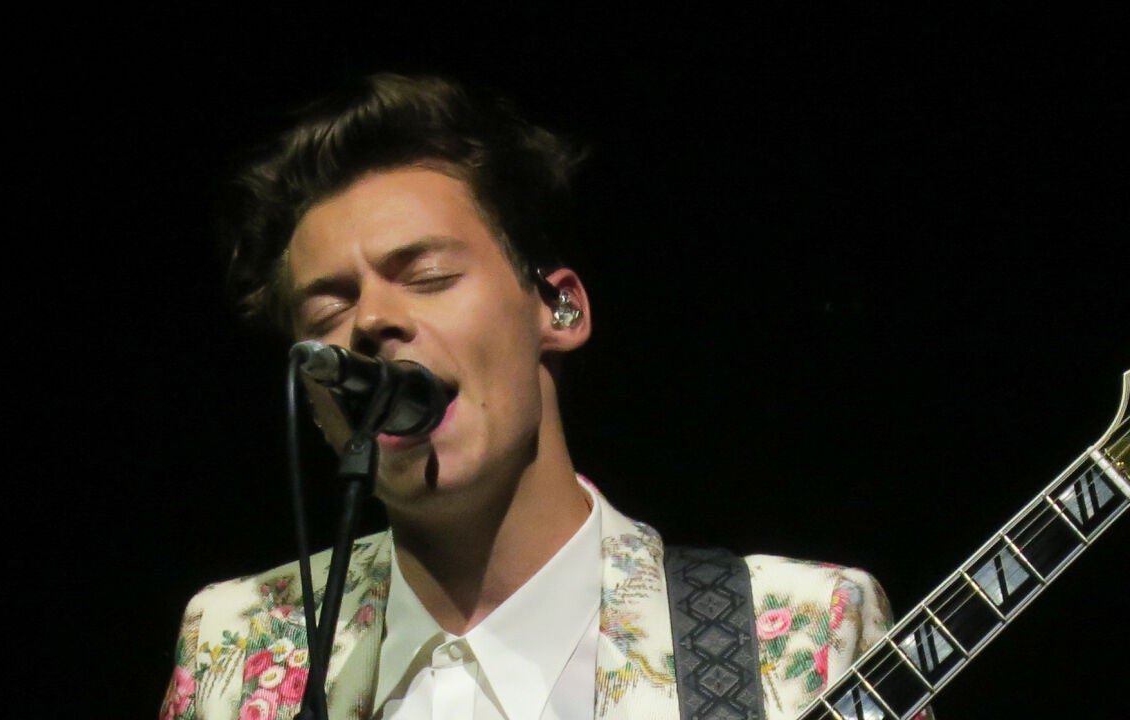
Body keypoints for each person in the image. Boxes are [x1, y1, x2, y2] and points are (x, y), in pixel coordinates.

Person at [161, 72, 909, 720]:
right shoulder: (238, 645)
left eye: (428, 277)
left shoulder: (805, 631)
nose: (372, 321)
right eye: (328, 311)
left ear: (560, 310)